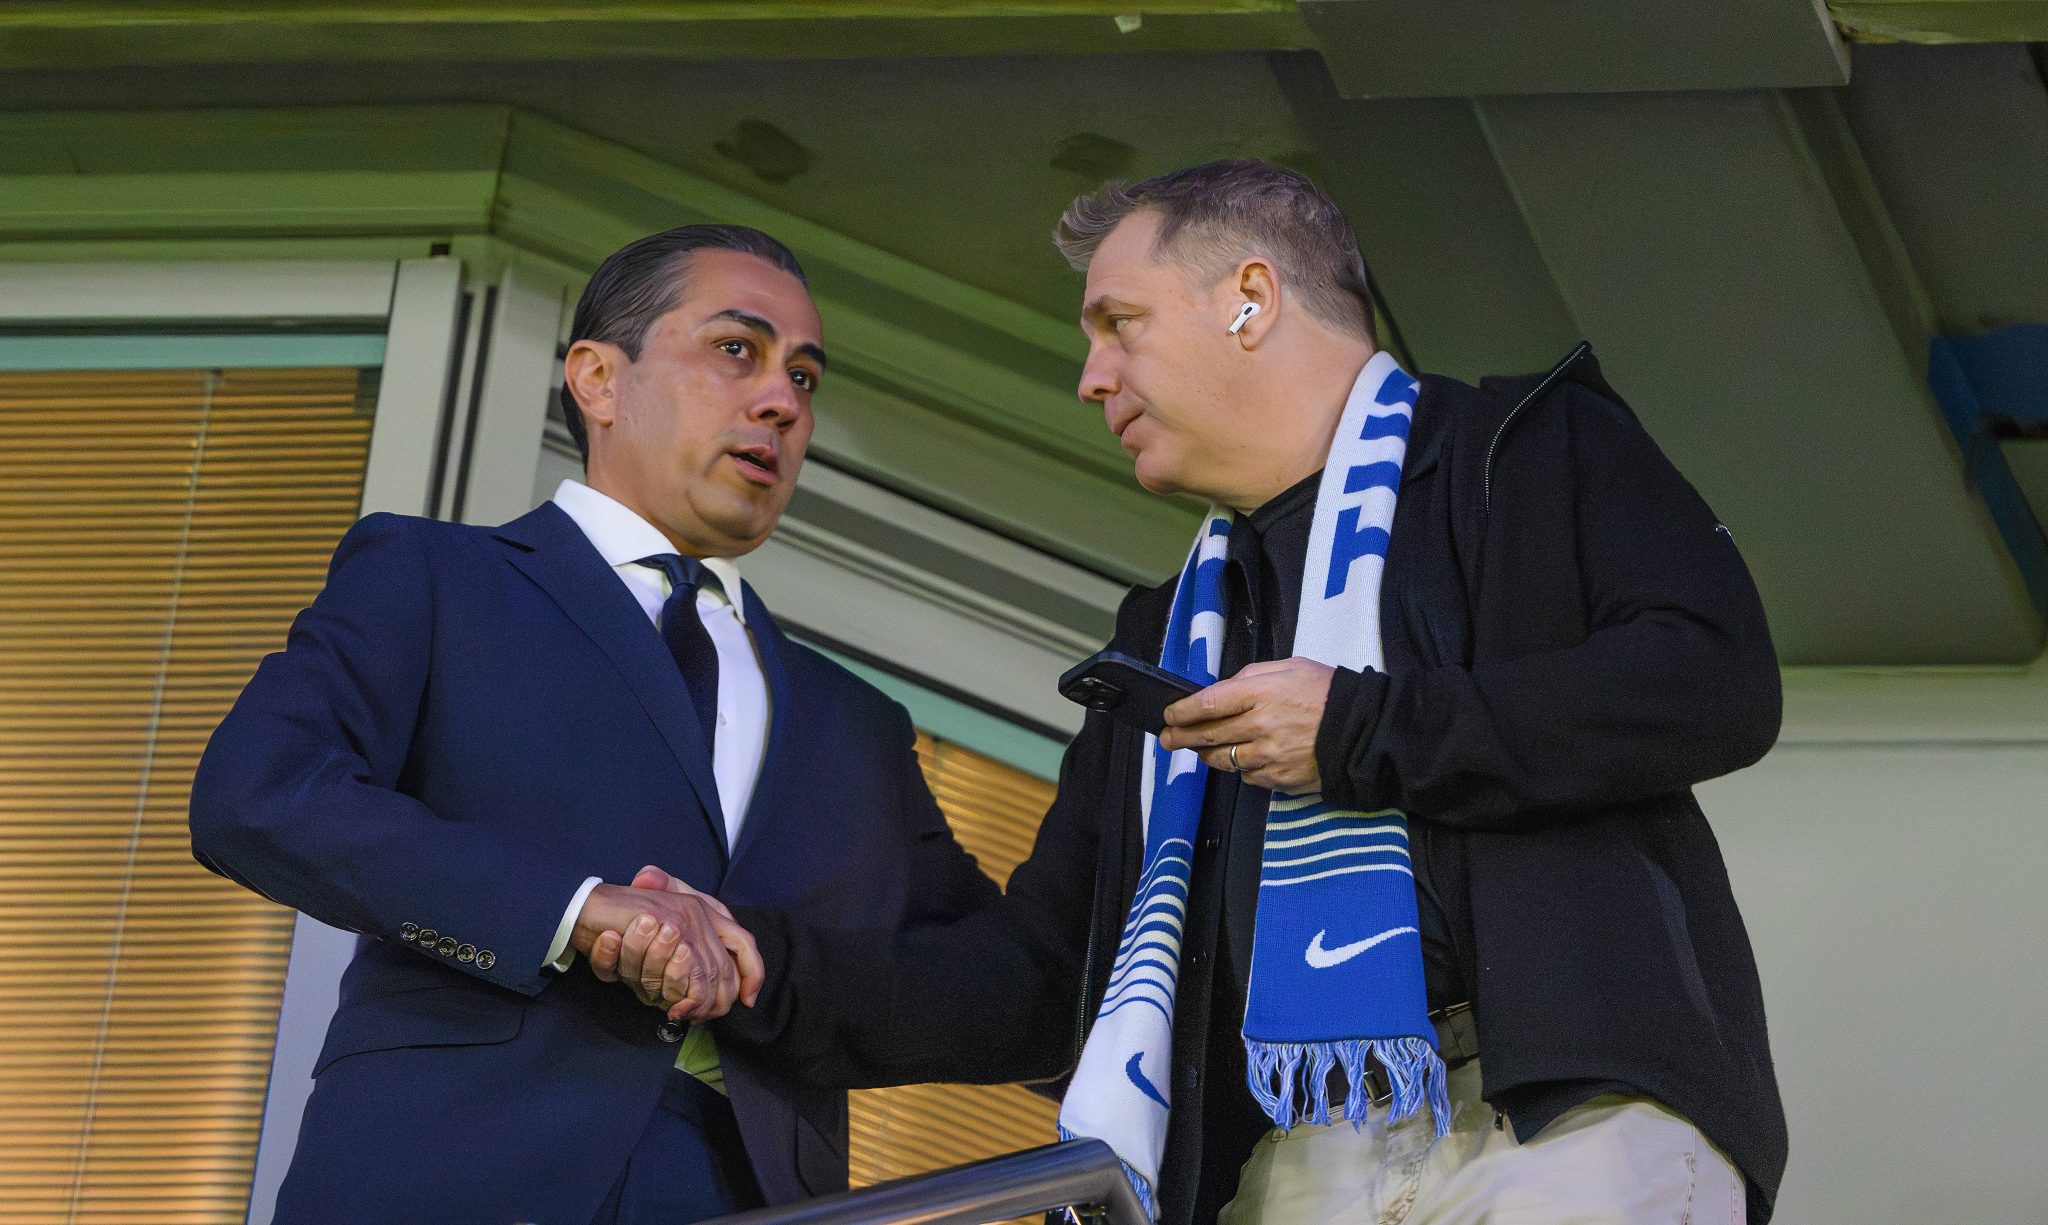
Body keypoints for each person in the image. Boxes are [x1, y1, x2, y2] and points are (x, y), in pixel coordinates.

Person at [714, 160, 1788, 1224]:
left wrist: (1355, 727)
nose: (1089, 378)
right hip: (1287, 1159)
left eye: (1116, 323)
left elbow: (1710, 677)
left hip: (1558, 1116)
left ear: (1250, 298)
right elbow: (1044, 977)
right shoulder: (1165, 633)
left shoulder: (1520, 449)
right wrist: (762, 968)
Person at [188, 224, 1000, 1224]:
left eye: (804, 376)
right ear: (598, 379)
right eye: (736, 349)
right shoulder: (436, 578)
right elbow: (256, 793)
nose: (782, 400)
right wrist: (575, 910)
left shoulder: (858, 727)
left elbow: (1005, 987)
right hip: (444, 1184)